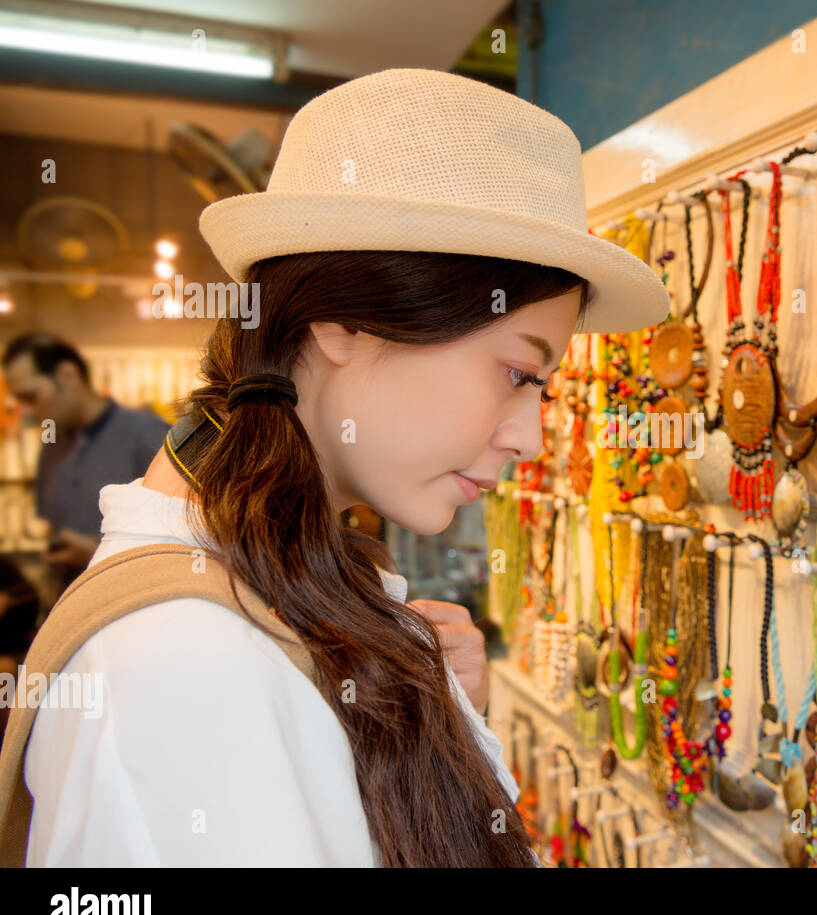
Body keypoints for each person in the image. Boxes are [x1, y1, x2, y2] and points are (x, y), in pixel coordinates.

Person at [9, 68, 667, 867]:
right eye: (518, 374)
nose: (529, 435)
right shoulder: (182, 667)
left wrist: (447, 719)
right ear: (347, 322)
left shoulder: (286, 586)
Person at [0, 333, 169, 592]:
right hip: (66, 607)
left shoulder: (149, 437)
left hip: (130, 607)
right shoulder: (52, 446)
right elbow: (52, 527)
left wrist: (93, 553)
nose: (29, 412)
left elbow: (179, 544)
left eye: (32, 397)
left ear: (68, 375)